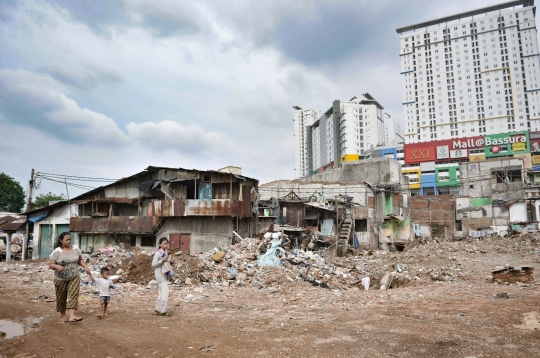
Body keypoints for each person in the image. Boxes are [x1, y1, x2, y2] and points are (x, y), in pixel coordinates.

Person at [49, 232, 94, 322]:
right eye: (67, 240)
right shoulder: (57, 252)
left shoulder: (76, 249)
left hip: (74, 276)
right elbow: (51, 265)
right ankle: (63, 315)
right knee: (61, 296)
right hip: (60, 278)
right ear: (61, 240)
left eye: (70, 239)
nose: (69, 241)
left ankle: (72, 316)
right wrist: (57, 266)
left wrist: (85, 267)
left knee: (73, 294)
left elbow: (80, 260)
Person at [152, 237, 171, 316]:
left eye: (167, 243)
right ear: (160, 244)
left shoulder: (165, 252)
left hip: (164, 274)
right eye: (164, 243)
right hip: (159, 274)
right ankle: (163, 310)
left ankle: (157, 310)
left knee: (161, 292)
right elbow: (153, 264)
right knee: (165, 292)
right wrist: (162, 260)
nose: (166, 245)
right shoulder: (158, 253)